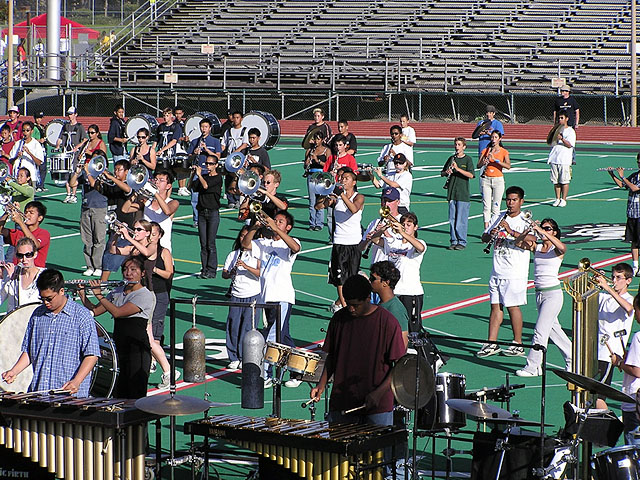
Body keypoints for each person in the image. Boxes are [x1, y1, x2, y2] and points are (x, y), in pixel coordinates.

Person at [310, 274, 405, 427]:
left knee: (377, 443)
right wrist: (321, 385)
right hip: (342, 402)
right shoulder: (339, 319)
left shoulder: (388, 322)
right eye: (348, 304)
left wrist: (379, 393)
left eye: (356, 305)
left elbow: (399, 365)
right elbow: (332, 356)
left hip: (377, 407)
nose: (351, 309)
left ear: (368, 298)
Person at [2, 269, 100, 397]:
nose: (45, 303)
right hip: (40, 392)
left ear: (61, 291)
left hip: (69, 395)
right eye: (42, 299)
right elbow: (30, 351)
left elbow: (92, 355)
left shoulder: (82, 316)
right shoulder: (37, 315)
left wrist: (77, 381)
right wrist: (14, 371)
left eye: (49, 299)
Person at [240, 210, 301, 388]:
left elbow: (295, 248)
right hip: (266, 299)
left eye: (280, 221)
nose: (276, 222)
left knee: (271, 338)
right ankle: (298, 371)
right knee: (284, 337)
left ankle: (265, 374)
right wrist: (255, 227)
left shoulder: (291, 242)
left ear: (288, 227)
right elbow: (245, 244)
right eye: (275, 220)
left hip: (282, 297)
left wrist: (276, 228)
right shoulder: (264, 243)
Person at [80, 256, 155, 399]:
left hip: (136, 350)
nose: (128, 273)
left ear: (143, 273)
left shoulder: (144, 295)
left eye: (133, 269)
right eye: (125, 269)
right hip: (120, 348)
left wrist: (99, 295)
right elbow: (95, 311)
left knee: (135, 394)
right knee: (119, 392)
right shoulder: (117, 291)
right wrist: (82, 294)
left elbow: (118, 312)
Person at [477, 186, 533, 358]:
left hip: (514, 271)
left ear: (521, 201)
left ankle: (518, 343)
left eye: (514, 200)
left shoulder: (525, 220)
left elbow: (532, 240)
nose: (510, 203)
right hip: (497, 269)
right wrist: (491, 234)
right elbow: (484, 237)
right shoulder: (499, 217)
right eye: (508, 200)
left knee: (512, 307)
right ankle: (492, 342)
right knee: (495, 306)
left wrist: (509, 231)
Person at [514, 218, 572, 377]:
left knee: (540, 331)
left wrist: (540, 230)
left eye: (548, 229)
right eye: (543, 228)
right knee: (553, 330)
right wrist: (528, 230)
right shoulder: (537, 247)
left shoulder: (556, 249)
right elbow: (518, 243)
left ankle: (532, 367)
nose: (544, 231)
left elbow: (563, 247)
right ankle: (573, 358)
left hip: (553, 295)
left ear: (554, 232)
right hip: (539, 294)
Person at [317, 167, 364, 311]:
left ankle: (340, 302)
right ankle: (345, 307)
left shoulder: (359, 197)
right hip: (339, 241)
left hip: (354, 242)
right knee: (340, 278)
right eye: (342, 178)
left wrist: (341, 195)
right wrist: (326, 195)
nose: (343, 180)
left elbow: (353, 209)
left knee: (352, 277)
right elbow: (318, 206)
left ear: (354, 182)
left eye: (346, 178)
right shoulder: (335, 197)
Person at [370, 212, 426, 333]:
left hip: (410, 292)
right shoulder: (393, 242)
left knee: (412, 330)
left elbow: (421, 248)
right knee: (390, 326)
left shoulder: (418, 242)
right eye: (403, 224)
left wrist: (402, 232)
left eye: (409, 225)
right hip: (393, 293)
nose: (405, 226)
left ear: (415, 227)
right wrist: (383, 228)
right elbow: (374, 240)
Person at [222, 226, 261, 370]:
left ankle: (245, 356)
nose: (243, 238)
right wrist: (231, 273)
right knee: (233, 325)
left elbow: (260, 273)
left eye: (246, 236)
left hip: (252, 295)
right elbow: (224, 274)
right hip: (236, 294)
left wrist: (246, 266)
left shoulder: (257, 254)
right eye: (242, 236)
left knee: (248, 327)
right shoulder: (233, 254)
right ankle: (233, 357)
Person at [594, 263, 634, 397]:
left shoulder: (629, 299)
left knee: (598, 395)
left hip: (609, 353)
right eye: (613, 277)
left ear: (628, 281)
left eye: (618, 277)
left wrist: (607, 288)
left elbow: (629, 308)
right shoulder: (604, 297)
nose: (614, 281)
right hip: (595, 349)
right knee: (589, 393)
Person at [69, 150, 108, 277]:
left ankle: (98, 266)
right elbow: (72, 183)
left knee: (99, 238)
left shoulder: (105, 174)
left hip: (99, 209)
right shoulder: (86, 174)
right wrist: (77, 172)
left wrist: (88, 172)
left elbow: (93, 184)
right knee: (87, 239)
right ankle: (90, 266)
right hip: (86, 208)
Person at [122, 169, 179, 252]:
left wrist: (155, 193)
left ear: (168, 186)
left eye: (161, 180)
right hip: (144, 246)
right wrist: (135, 194)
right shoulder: (147, 201)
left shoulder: (173, 202)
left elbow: (167, 211)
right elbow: (125, 209)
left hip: (162, 246)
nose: (157, 182)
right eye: (156, 179)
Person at [95, 159, 134, 281]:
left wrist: (111, 178)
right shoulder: (112, 185)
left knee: (111, 256)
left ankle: (102, 284)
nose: (116, 172)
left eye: (119, 170)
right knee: (117, 257)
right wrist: (96, 176)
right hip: (114, 226)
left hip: (125, 227)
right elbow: (98, 188)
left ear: (127, 172)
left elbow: (128, 190)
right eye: (115, 169)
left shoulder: (129, 184)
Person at [611, 294, 640, 445]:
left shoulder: (638, 337)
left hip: (634, 401)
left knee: (634, 447)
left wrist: (619, 363)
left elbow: (637, 371)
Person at [607, 153, 640, 276]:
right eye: (638, 162)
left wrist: (623, 176)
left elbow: (635, 188)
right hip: (632, 213)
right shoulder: (635, 175)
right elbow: (622, 185)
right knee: (634, 241)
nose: (639, 164)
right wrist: (612, 175)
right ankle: (635, 266)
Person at [440, 137, 475, 250]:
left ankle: (462, 241)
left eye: (459, 145)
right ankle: (454, 240)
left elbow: (471, 175)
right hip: (452, 192)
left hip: (462, 193)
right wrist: (447, 172)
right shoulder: (451, 158)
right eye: (456, 144)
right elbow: (442, 173)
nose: (457, 147)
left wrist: (458, 169)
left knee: (461, 220)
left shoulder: (468, 159)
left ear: (464, 147)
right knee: (452, 219)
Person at [192, 155, 223, 279]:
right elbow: (191, 187)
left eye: (211, 164)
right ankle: (204, 269)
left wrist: (199, 175)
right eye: (207, 163)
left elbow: (205, 186)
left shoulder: (218, 178)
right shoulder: (203, 177)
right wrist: (193, 174)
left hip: (212, 213)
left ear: (216, 165)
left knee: (211, 243)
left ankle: (211, 270)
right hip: (202, 213)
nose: (208, 166)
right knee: (203, 243)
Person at [187, 118, 222, 226]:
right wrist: (194, 153)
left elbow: (218, 157)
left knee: (208, 196)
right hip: (198, 172)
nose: (203, 129)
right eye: (202, 127)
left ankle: (208, 217)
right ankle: (196, 219)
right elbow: (189, 158)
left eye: (206, 127)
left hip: (209, 174)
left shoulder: (215, 141)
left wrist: (206, 150)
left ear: (210, 128)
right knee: (194, 197)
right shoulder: (195, 141)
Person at [359, 187, 403, 266]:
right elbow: (360, 248)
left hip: (395, 266)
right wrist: (367, 240)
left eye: (390, 201)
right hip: (377, 265)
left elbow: (402, 245)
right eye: (384, 201)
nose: (386, 204)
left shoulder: (403, 222)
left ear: (398, 202)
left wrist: (385, 232)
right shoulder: (375, 222)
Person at [370, 260, 409, 349]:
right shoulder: (381, 304)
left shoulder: (395, 309)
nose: (370, 281)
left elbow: (403, 343)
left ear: (385, 283)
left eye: (373, 279)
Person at [1, 200, 50, 268]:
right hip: (19, 271)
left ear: (40, 218)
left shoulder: (44, 233)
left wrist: (20, 222)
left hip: (36, 271)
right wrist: (7, 212)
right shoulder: (18, 233)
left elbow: (34, 245)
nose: (27, 215)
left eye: (31, 213)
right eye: (26, 212)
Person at [478, 130, 511, 229]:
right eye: (492, 137)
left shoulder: (504, 151)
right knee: (486, 207)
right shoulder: (486, 150)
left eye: (496, 137)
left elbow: (508, 166)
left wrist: (496, 160)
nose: (493, 139)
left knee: (496, 207)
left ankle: (494, 229)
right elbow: (478, 165)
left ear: (499, 139)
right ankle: (486, 230)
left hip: (498, 180)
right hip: (486, 179)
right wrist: (484, 162)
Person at [0, 237, 43, 311]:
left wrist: (13, 280)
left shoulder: (43, 276)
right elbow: (1, 297)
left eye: (28, 255)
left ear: (35, 254)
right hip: (14, 317)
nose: (24, 259)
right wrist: (1, 276)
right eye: (20, 255)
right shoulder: (12, 272)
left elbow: (25, 303)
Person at [56, 107, 86, 204]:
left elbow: (85, 139)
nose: (69, 116)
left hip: (75, 154)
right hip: (66, 153)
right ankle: (68, 194)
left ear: (76, 114)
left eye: (71, 114)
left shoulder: (79, 127)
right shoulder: (65, 126)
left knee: (73, 174)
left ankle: (74, 195)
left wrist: (77, 147)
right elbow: (60, 138)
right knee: (66, 173)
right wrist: (57, 145)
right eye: (69, 114)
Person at [221, 111, 249, 208]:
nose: (236, 120)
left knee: (238, 178)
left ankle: (237, 199)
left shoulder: (245, 130)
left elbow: (245, 144)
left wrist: (236, 152)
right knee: (229, 178)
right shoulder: (228, 131)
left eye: (238, 117)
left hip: (239, 159)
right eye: (234, 117)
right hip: (229, 159)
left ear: (241, 119)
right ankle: (230, 199)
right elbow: (223, 144)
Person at [548, 112, 575, 207]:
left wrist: (562, 139)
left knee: (564, 181)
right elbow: (550, 142)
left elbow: (570, 145)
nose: (560, 120)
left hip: (564, 160)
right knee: (555, 181)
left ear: (566, 118)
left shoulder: (570, 131)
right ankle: (557, 198)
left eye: (562, 118)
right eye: (559, 118)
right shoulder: (556, 130)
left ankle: (564, 199)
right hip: (554, 159)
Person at [304, 132, 329, 230]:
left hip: (321, 175)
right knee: (312, 200)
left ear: (322, 140)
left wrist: (317, 160)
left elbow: (328, 165)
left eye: (318, 139)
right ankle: (312, 223)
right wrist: (307, 161)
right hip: (311, 175)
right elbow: (305, 166)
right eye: (315, 139)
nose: (316, 141)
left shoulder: (326, 151)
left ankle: (319, 223)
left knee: (320, 199)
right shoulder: (310, 150)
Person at [9, 121, 44, 187]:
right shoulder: (18, 143)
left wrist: (29, 153)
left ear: (31, 131)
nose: (25, 133)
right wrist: (17, 156)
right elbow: (10, 160)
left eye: (27, 130)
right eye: (23, 130)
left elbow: (39, 162)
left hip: (30, 177)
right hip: (18, 176)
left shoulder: (36, 144)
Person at [32, 112, 47, 192]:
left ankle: (41, 185)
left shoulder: (42, 127)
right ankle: (37, 185)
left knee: (43, 168)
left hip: (43, 149)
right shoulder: (33, 128)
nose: (39, 120)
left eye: (40, 118)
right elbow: (31, 138)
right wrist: (39, 140)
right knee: (38, 167)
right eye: (37, 118)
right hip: (37, 149)